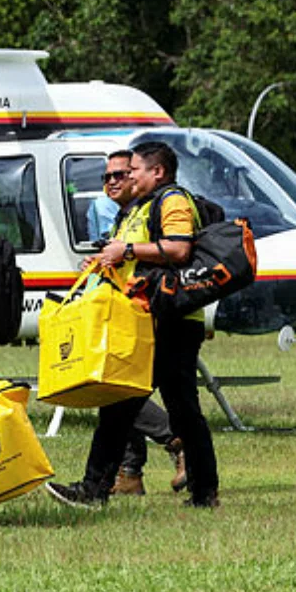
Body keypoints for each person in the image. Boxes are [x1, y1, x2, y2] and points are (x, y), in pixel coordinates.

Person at [46, 141, 220, 509]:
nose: (128, 177)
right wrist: (104, 263)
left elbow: (177, 249)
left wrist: (125, 251)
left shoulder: (172, 200)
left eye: (134, 170)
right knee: (124, 405)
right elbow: (139, 261)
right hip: (144, 318)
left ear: (157, 172)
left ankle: (199, 491)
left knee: (179, 408)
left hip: (170, 320)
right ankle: (100, 487)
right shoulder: (135, 210)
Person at [90, 151, 186, 497]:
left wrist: (126, 251)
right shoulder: (123, 215)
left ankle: (176, 443)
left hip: (154, 314)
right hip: (122, 311)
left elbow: (177, 251)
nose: (116, 180)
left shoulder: (162, 205)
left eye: (124, 173)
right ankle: (128, 474)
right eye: (109, 176)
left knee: (120, 391)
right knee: (118, 391)